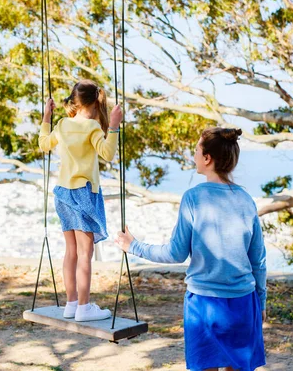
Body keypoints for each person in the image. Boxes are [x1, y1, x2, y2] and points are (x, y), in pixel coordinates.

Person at [115, 127, 266, 371]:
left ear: (207, 158)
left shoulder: (193, 197)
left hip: (204, 305)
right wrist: (261, 304)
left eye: (196, 151)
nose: (193, 156)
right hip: (243, 304)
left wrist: (134, 247)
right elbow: (258, 261)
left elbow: (175, 253)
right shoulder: (246, 200)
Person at [39, 79, 122, 322]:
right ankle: (84, 307)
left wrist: (46, 116)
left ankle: (72, 303)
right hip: (84, 192)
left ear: (76, 101)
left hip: (62, 193)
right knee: (86, 253)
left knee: (71, 252)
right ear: (96, 102)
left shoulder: (63, 125)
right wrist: (114, 127)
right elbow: (107, 154)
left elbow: (44, 144)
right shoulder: (93, 128)